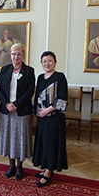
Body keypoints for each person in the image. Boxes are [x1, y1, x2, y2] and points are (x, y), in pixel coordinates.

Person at [0, 43, 35, 181]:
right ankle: (11, 165)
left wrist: (16, 105)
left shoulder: (29, 71)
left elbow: (29, 91)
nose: (16, 56)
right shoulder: (5, 69)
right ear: (10, 55)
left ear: (23, 55)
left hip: (21, 110)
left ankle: (20, 166)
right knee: (8, 138)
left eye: (19, 54)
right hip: (6, 110)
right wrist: (7, 104)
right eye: (13, 54)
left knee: (20, 139)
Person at [32, 51, 68, 188]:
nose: (47, 63)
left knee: (52, 144)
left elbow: (63, 98)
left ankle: (48, 172)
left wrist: (48, 110)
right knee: (43, 143)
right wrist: (35, 114)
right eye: (44, 61)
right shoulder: (40, 77)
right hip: (42, 118)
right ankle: (45, 167)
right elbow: (37, 98)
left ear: (55, 62)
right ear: (41, 63)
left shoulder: (60, 77)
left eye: (50, 61)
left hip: (54, 118)